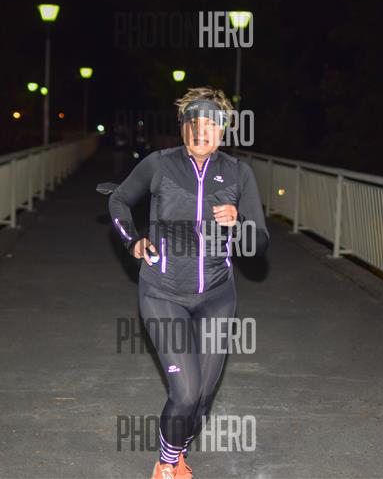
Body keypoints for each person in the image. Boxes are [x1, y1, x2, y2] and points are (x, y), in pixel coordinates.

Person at [108, 86, 269, 479]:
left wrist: (239, 223)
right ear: (182, 128)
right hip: (163, 292)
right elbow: (118, 200)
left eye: (210, 124)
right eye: (193, 123)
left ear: (222, 131)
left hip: (217, 295)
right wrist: (133, 240)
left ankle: (178, 446)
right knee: (185, 392)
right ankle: (167, 464)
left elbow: (260, 242)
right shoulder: (159, 165)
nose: (201, 131)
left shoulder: (238, 173)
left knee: (202, 399)